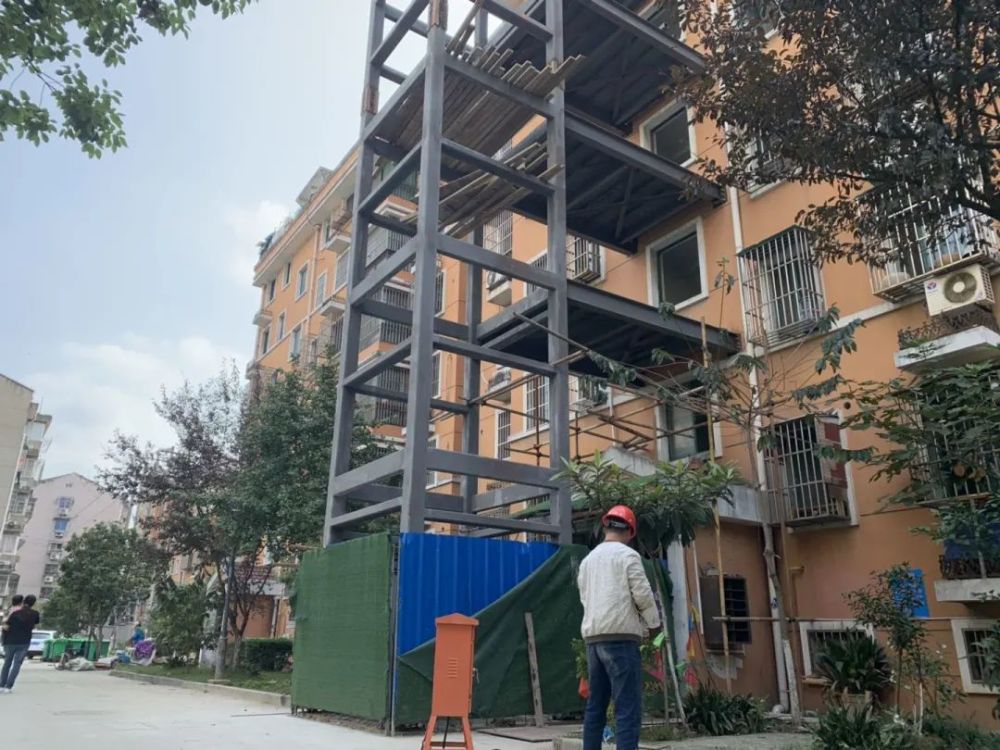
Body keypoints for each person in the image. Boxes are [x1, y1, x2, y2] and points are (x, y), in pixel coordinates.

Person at [577, 506, 661, 750]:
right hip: (621, 640)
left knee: (595, 707)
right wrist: (654, 626)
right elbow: (643, 595)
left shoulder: (588, 561)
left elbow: (585, 597)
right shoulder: (628, 556)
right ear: (630, 532)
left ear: (606, 527)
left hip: (594, 640)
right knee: (627, 708)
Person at [0, 594, 40, 693]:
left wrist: (4, 638)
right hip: (24, 642)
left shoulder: (15, 613)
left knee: (7, 663)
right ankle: (8, 687)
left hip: (10, 641)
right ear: (33, 603)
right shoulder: (35, 614)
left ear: (24, 601)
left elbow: (6, 627)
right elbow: (35, 624)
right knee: (17, 664)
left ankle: (1, 685)